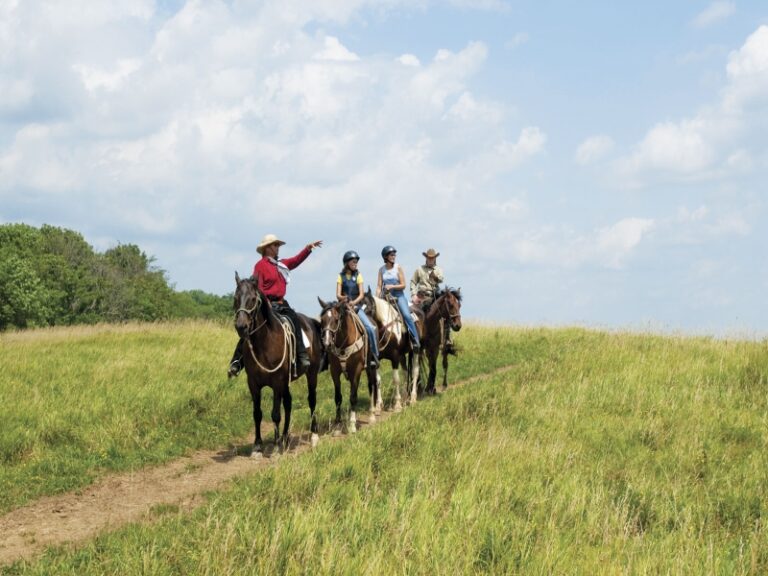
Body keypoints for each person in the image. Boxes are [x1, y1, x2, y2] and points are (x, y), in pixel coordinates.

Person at [228, 234, 323, 378]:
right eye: (275, 245)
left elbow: (296, 260)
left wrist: (308, 249)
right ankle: (237, 362)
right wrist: (267, 304)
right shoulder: (260, 266)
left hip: (281, 303)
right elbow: (257, 288)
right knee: (250, 329)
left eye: (278, 245)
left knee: (294, 320)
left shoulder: (282, 265)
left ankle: (301, 356)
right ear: (267, 248)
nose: (278, 248)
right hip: (266, 304)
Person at [336, 251, 380, 369]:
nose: (356, 263)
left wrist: (353, 303)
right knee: (331, 327)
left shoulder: (359, 275)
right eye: (353, 261)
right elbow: (337, 295)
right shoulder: (340, 276)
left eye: (356, 261)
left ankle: (374, 356)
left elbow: (361, 294)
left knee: (370, 328)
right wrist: (344, 299)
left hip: (356, 307)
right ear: (347, 263)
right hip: (343, 307)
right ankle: (327, 358)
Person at [376, 245, 420, 352]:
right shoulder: (381, 270)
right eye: (391, 255)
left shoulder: (398, 268)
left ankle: (415, 340)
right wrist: (377, 299)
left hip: (399, 296)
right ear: (385, 257)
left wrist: (392, 286)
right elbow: (379, 286)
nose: (393, 256)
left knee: (406, 315)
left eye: (394, 254)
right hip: (386, 297)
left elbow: (403, 285)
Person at [410, 247, 454, 353]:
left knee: (446, 312)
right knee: (412, 314)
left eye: (432, 258)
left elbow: (441, 279)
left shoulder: (438, 270)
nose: (430, 260)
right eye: (429, 258)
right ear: (426, 258)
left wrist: (435, 278)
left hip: (434, 295)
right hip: (421, 296)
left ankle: (448, 339)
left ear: (435, 259)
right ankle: (412, 338)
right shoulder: (419, 269)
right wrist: (413, 295)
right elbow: (413, 282)